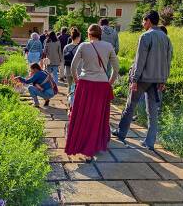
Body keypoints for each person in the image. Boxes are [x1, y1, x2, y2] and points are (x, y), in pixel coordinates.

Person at [112, 11, 173, 151]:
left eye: (143, 21)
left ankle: (121, 133)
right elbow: (168, 61)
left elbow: (140, 61)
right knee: (153, 112)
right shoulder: (166, 38)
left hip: (142, 79)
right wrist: (164, 79)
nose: (142, 24)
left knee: (130, 106)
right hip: (158, 80)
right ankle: (149, 142)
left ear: (149, 21)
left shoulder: (145, 36)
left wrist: (134, 79)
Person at [65, 24, 119, 162]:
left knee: (83, 115)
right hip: (101, 84)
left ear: (89, 34)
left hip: (85, 84)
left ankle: (82, 143)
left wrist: (77, 80)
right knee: (97, 115)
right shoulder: (108, 46)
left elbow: (73, 66)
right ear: (100, 33)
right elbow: (116, 68)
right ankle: (96, 143)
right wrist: (109, 82)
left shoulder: (84, 46)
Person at [63, 28, 81, 92]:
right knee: (77, 87)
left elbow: (63, 58)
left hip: (68, 68)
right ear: (77, 37)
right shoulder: (80, 47)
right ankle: (74, 99)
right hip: (77, 70)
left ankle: (69, 99)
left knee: (70, 86)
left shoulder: (66, 47)